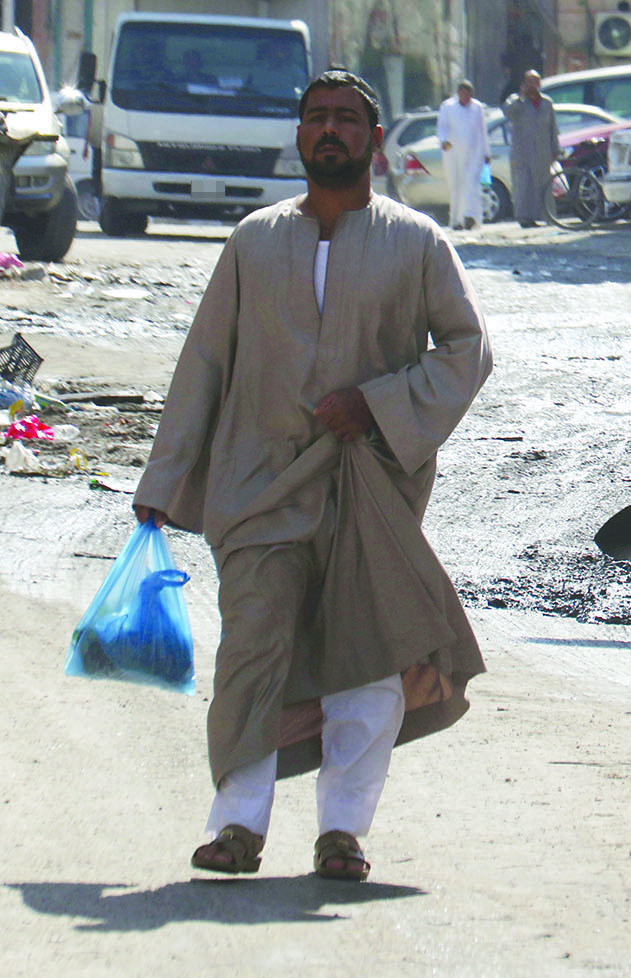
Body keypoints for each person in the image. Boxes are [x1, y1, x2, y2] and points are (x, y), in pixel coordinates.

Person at [132, 68, 492, 882]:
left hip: (370, 485)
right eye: (315, 118)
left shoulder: (417, 242)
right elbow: (204, 364)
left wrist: (377, 405)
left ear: (373, 139)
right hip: (255, 485)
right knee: (253, 648)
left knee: (366, 658)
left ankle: (342, 832)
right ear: (298, 137)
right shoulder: (254, 241)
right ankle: (236, 827)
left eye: (345, 119)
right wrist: (165, 479)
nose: (328, 130)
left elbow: (468, 351)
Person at [502, 70, 559, 228]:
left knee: (544, 186)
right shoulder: (516, 101)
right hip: (522, 153)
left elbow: (553, 128)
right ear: (524, 84)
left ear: (539, 84)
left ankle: (548, 217)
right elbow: (507, 113)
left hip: (542, 152)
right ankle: (525, 218)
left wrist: (555, 149)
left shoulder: (547, 103)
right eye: (529, 82)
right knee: (524, 186)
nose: (532, 86)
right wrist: (521, 98)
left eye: (535, 82)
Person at [437, 79, 489, 229]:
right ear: (459, 93)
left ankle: (471, 217)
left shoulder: (477, 107)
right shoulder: (448, 107)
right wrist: (443, 140)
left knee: (471, 185)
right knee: (456, 185)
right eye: (463, 93)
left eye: (469, 94)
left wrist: (486, 152)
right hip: (453, 152)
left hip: (474, 153)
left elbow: (482, 131)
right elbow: (442, 126)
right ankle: (456, 220)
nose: (466, 97)